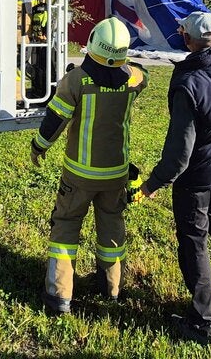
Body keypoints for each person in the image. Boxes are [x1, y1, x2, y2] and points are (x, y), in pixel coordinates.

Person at [136, 11, 211, 346]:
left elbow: (178, 155)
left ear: (187, 39)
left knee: (194, 244)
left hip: (196, 179)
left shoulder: (189, 85)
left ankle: (205, 322)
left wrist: (151, 185)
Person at [29, 17, 148, 314]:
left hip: (79, 176)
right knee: (111, 227)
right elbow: (141, 73)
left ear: (93, 43)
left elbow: (55, 121)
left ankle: (59, 296)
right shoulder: (133, 80)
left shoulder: (76, 80)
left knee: (66, 226)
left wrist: (38, 147)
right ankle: (111, 288)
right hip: (116, 175)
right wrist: (122, 63)